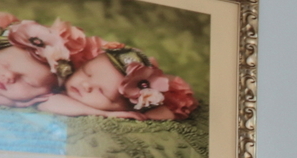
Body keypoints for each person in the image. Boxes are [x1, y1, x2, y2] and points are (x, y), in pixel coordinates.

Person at [39, 46, 199, 121]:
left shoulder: (133, 107)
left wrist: (146, 115)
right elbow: (49, 103)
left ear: (125, 108)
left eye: (102, 92)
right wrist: (107, 114)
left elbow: (166, 114)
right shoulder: (58, 79)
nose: (86, 85)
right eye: (86, 72)